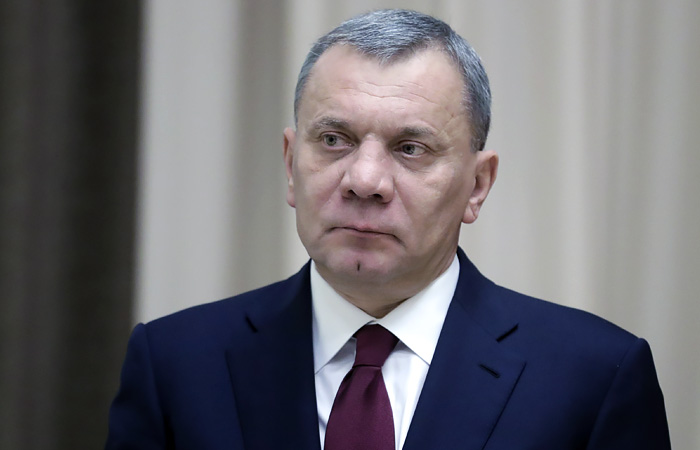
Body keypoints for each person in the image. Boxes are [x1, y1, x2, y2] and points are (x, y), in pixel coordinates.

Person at [106, 9, 671, 450]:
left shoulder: (594, 379)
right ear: (290, 164)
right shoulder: (175, 366)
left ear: (477, 185)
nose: (365, 180)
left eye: (410, 148)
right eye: (334, 140)